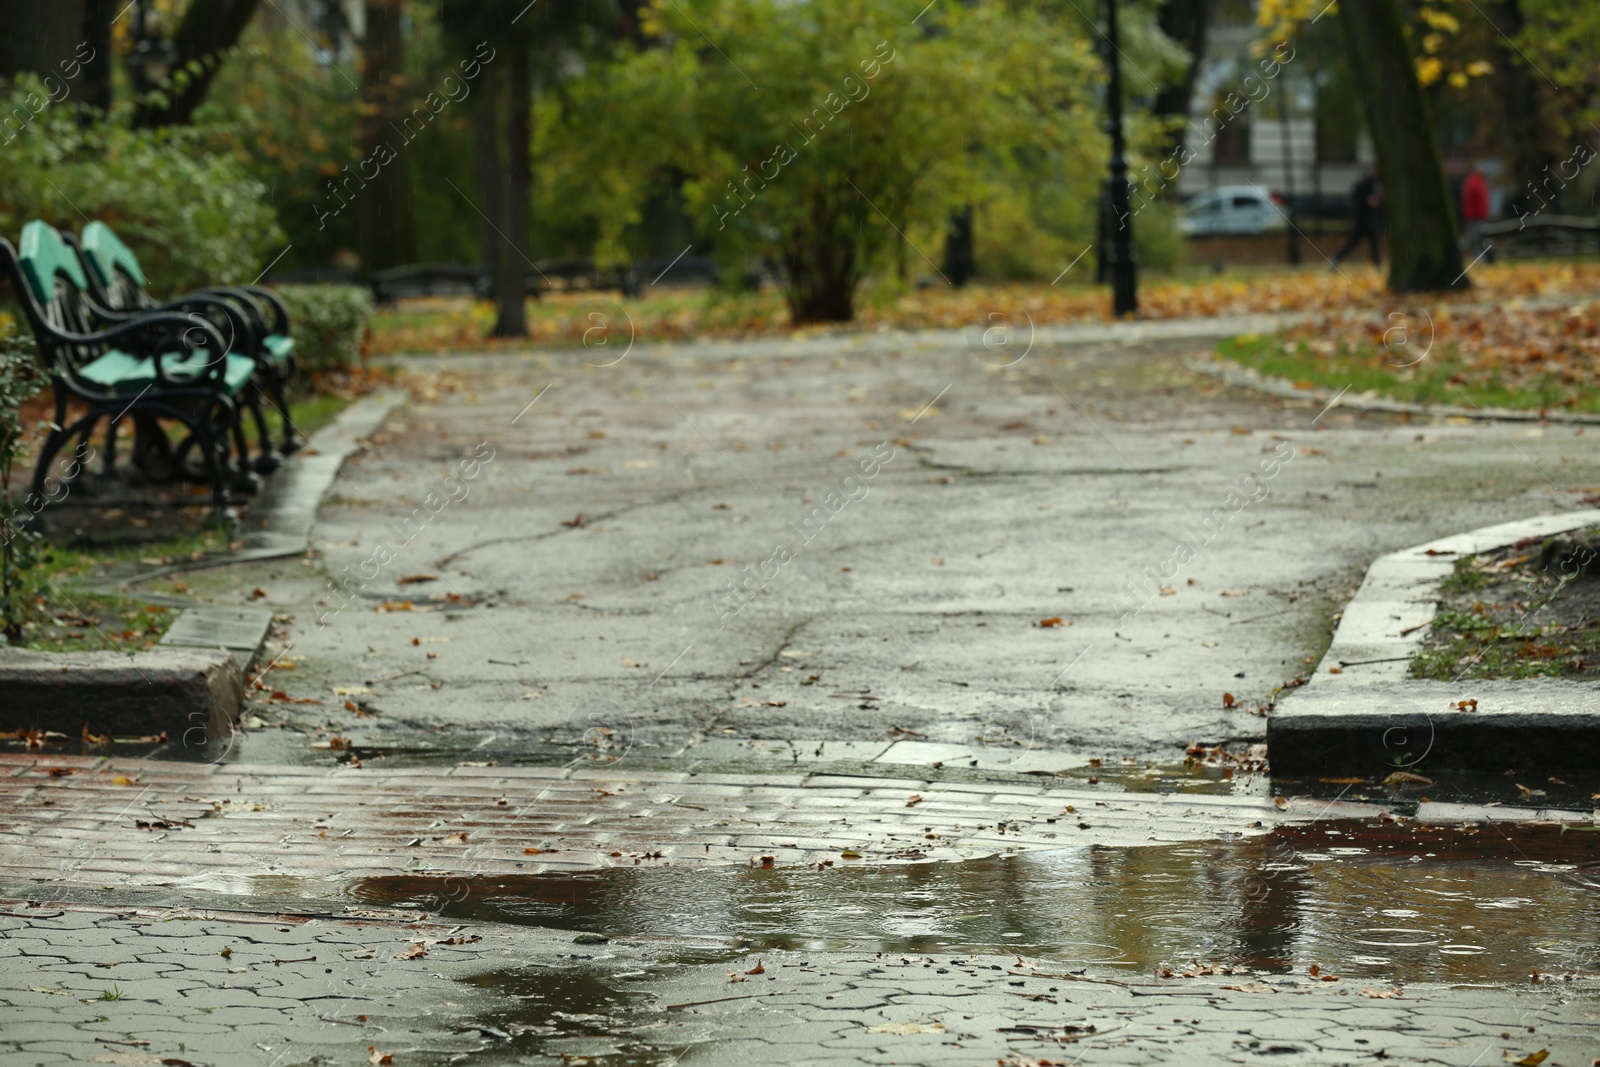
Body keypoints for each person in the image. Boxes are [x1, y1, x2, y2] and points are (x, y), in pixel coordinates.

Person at [1332, 166, 1382, 267]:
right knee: (1353, 242)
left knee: (1374, 242)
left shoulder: (1376, 183)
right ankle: (1336, 260)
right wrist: (1367, 202)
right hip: (1361, 219)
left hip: (1369, 220)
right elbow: (1357, 201)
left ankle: (1377, 264)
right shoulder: (1364, 183)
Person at [1460, 163, 1491, 260]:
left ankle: (1478, 256)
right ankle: (1459, 251)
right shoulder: (1474, 183)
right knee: (1473, 237)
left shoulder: (1478, 182)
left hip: (1477, 215)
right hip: (1475, 216)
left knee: (1476, 237)